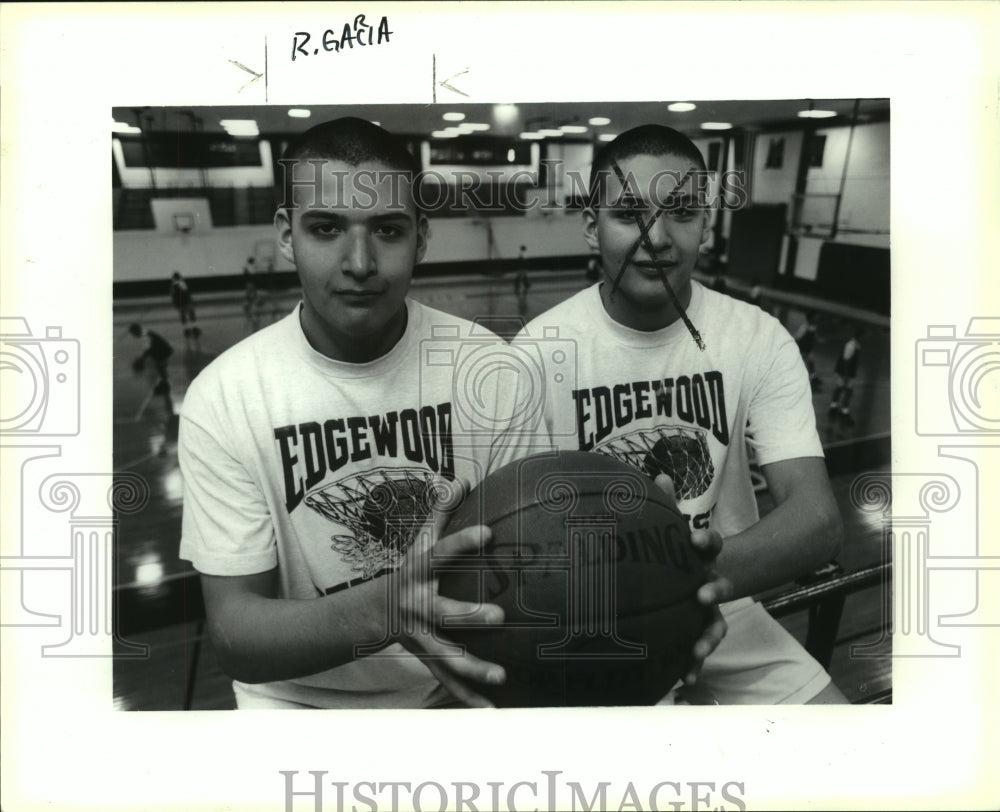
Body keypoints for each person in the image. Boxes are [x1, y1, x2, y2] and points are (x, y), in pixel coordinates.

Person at [176, 118, 729, 710]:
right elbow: (235, 634)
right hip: (301, 702)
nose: (359, 261)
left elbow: (540, 558)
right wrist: (384, 608)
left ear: (421, 236)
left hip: (477, 681)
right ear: (287, 234)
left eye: (388, 230)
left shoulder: (489, 369)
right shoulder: (226, 395)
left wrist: (656, 578)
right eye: (327, 228)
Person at [515, 124, 846, 704]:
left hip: (724, 596)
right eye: (629, 214)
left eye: (682, 212)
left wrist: (674, 587)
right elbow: (523, 546)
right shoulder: (535, 355)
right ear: (592, 225)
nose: (657, 238)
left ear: (706, 224)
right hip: (598, 615)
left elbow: (817, 520)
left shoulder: (757, 336)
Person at [128, 322, 175, 420]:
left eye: (134, 333)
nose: (134, 336)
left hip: (163, 351)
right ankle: (164, 383)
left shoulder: (146, 336)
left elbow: (148, 350)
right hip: (162, 351)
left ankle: (165, 384)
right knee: (159, 366)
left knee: (160, 366)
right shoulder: (146, 334)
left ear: (137, 331)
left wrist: (142, 359)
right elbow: (148, 350)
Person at [830, 326, 864, 426]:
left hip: (848, 372)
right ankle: (843, 412)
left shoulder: (857, 345)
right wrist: (846, 375)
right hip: (845, 372)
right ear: (859, 336)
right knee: (847, 391)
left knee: (840, 388)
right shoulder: (851, 345)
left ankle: (834, 407)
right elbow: (846, 360)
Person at [795, 310, 821, 392]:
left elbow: (815, 337)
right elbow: (797, 338)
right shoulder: (804, 327)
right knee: (803, 367)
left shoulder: (814, 327)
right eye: (815, 318)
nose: (816, 319)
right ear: (810, 318)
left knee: (811, 365)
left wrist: (819, 340)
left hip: (808, 350)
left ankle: (813, 380)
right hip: (802, 350)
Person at [169, 271, 201, 339]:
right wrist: (191, 301)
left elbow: (173, 296)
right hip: (186, 302)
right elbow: (187, 293)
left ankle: (186, 330)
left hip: (180, 304)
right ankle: (194, 329)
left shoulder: (173, 285)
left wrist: (175, 304)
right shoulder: (182, 283)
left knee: (183, 317)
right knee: (191, 315)